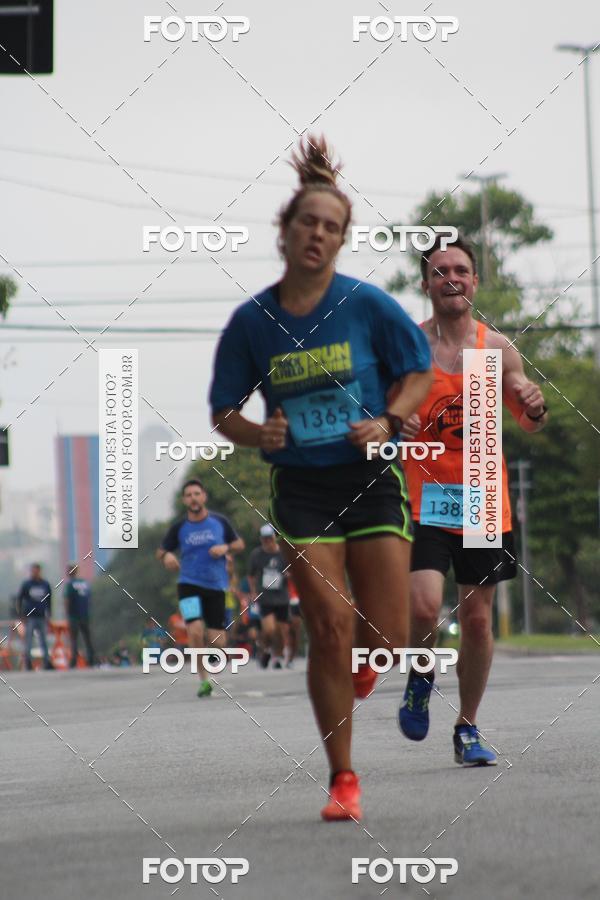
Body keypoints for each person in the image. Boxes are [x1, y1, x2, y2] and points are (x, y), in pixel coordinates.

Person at [210, 135, 432, 821]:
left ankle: (368, 667)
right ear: (284, 232)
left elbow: (417, 370)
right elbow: (225, 410)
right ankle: (343, 779)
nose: (319, 234)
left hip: (368, 478)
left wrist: (389, 420)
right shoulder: (253, 322)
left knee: (387, 640)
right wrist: (259, 432)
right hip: (301, 488)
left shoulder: (366, 306)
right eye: (308, 221)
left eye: (332, 227)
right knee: (330, 629)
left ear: (341, 242)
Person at [398, 232, 548, 765]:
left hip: (483, 498)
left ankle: (467, 726)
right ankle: (419, 679)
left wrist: (533, 403)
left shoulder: (494, 349)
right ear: (426, 283)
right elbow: (381, 417)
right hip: (425, 500)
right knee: (421, 606)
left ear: (475, 280)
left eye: (460, 270)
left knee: (478, 620)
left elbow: (529, 422)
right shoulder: (410, 348)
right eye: (440, 271)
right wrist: (397, 421)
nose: (451, 279)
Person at [156, 479, 245, 697]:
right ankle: (203, 680)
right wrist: (167, 555)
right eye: (188, 495)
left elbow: (239, 544)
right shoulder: (179, 528)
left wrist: (225, 546)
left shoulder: (219, 522)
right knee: (194, 630)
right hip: (188, 584)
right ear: (184, 500)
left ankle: (213, 660)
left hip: (215, 586)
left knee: (219, 641)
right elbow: (160, 551)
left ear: (203, 497)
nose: (193, 498)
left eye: (197, 493)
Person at [248, 524, 290, 670]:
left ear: (274, 538)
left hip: (282, 597)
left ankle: (277, 657)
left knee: (281, 631)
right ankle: (265, 650)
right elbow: (251, 576)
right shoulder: (257, 554)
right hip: (265, 597)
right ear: (261, 539)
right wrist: (253, 592)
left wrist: (288, 575)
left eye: (270, 538)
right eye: (264, 539)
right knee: (269, 629)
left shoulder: (284, 553)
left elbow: (292, 571)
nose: (267, 542)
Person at [17, 563, 54, 671]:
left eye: (36, 571)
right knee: (28, 641)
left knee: (43, 641)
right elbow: (20, 599)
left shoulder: (45, 584)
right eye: (33, 571)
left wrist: (49, 613)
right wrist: (21, 614)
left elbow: (49, 599)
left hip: (41, 616)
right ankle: (28, 662)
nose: (34, 573)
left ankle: (46, 662)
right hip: (30, 617)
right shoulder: (27, 584)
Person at [63, 563, 95, 668]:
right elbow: (89, 598)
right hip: (85, 615)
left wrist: (67, 613)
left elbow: (67, 600)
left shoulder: (70, 584)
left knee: (74, 639)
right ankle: (91, 659)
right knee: (87, 638)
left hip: (74, 616)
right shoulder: (85, 583)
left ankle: (73, 660)